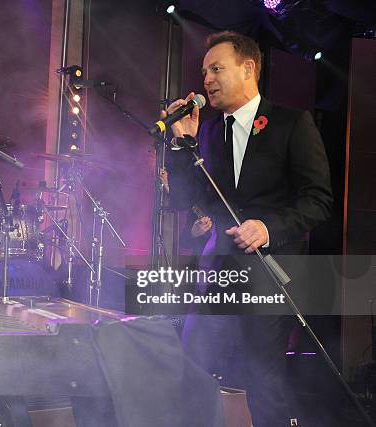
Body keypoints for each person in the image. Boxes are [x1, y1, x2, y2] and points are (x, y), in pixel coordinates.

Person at [164, 31, 332, 426]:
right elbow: (185, 198)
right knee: (195, 366)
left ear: (248, 68)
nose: (206, 79)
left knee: (263, 380)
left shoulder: (292, 123)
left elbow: (318, 199)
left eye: (217, 69)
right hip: (217, 270)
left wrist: (268, 227)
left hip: (270, 274)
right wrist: (181, 145)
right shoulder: (206, 132)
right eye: (204, 71)